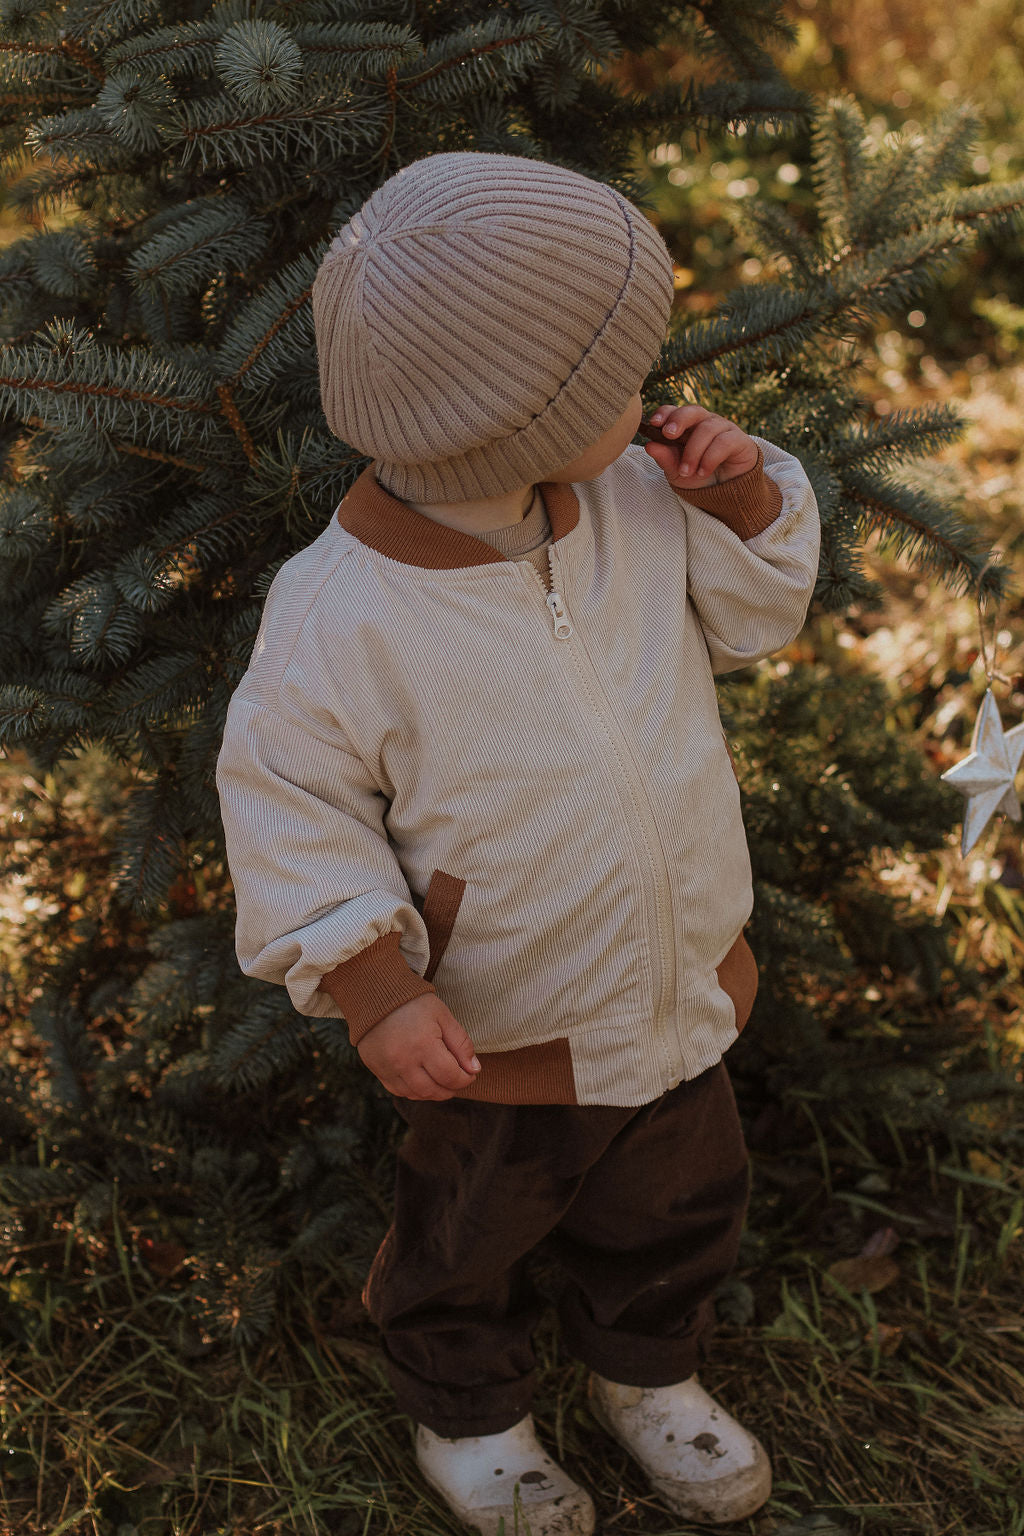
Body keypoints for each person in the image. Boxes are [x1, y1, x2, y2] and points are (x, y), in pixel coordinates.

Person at [216, 150, 820, 1535]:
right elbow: (289, 799)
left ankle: (647, 1374)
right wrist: (373, 982)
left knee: (680, 1204)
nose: (647, 394)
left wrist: (738, 498)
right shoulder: (341, 616)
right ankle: (470, 1413)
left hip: (673, 986)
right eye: (615, 381)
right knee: (463, 1241)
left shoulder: (636, 504)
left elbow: (756, 616)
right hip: (500, 1037)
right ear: (511, 426)